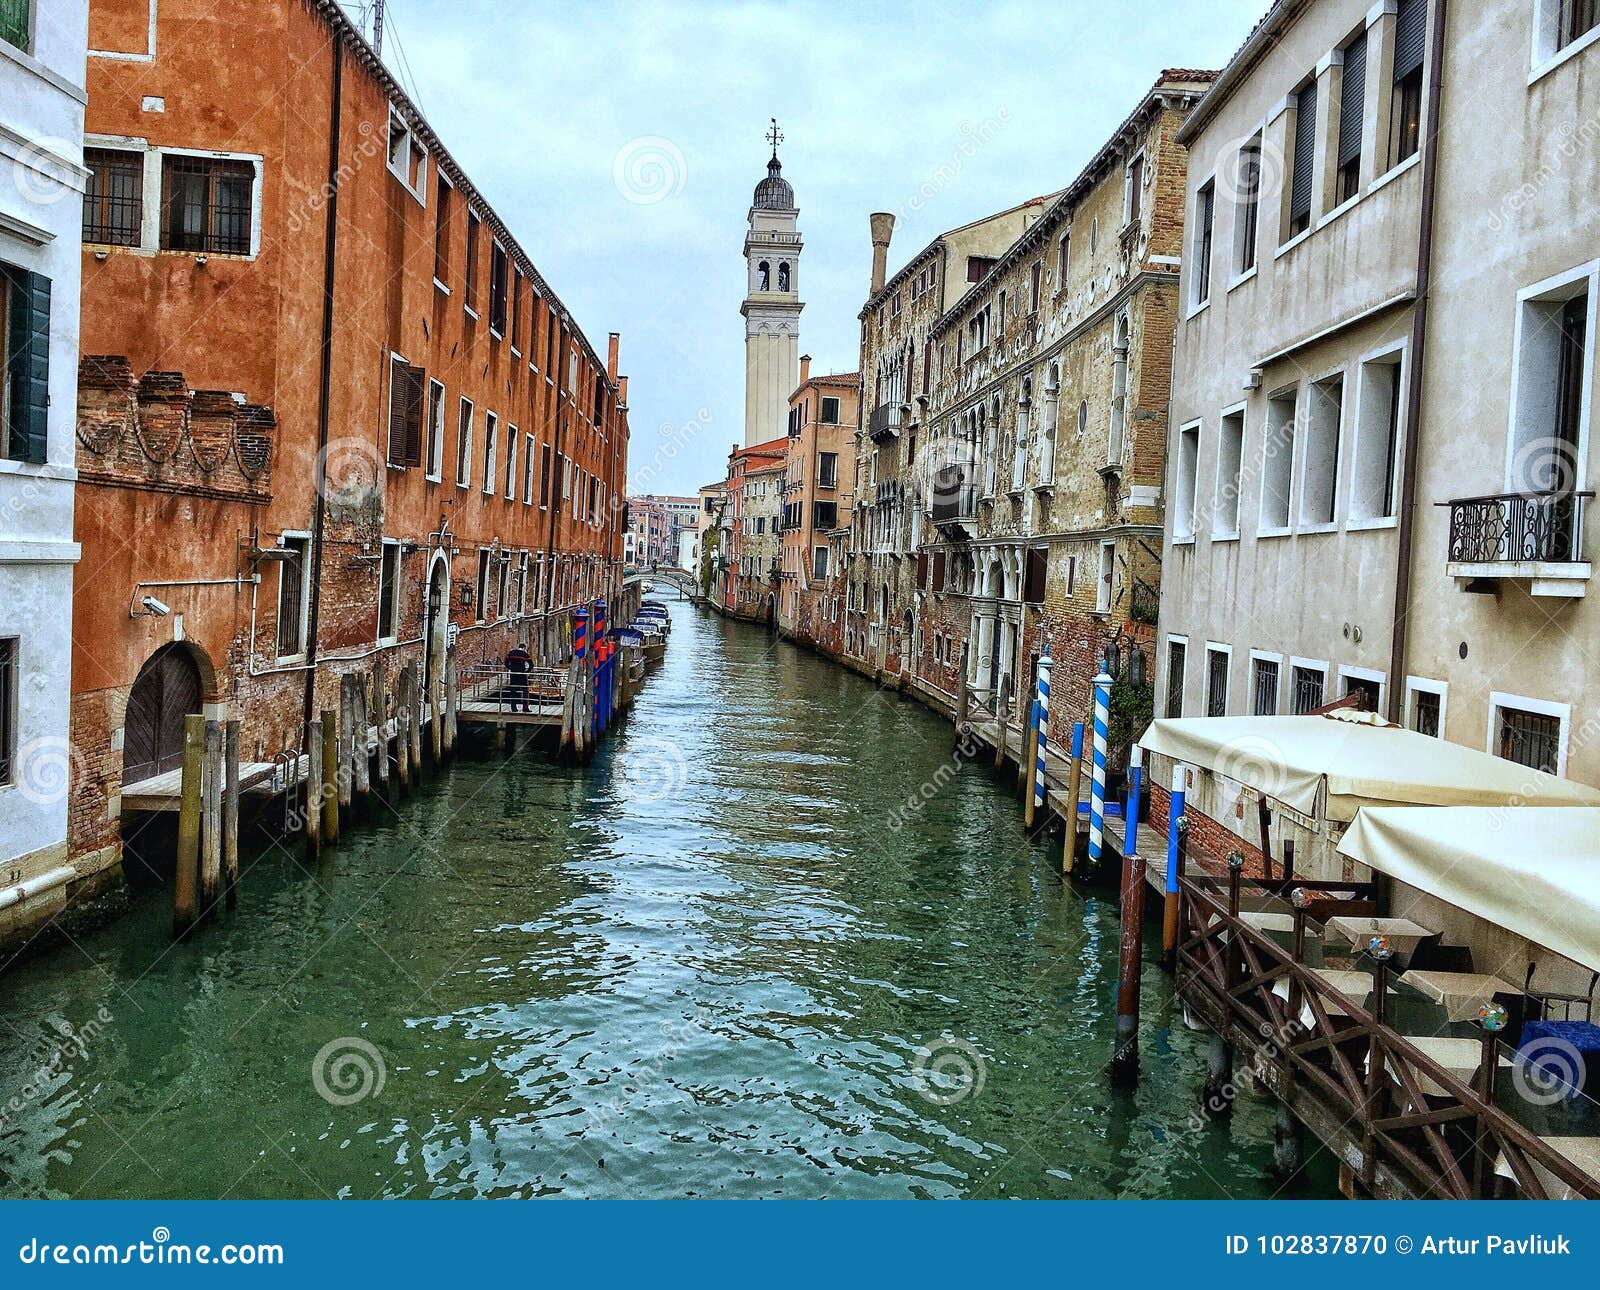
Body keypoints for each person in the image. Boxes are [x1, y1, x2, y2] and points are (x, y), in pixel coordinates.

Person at [504, 642, 533, 712]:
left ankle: (514, 708)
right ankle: (525, 708)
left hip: (513, 674)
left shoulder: (511, 652)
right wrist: (527, 671)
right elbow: (531, 664)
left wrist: (510, 668)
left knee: (513, 691)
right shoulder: (525, 654)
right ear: (524, 648)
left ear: (518, 647)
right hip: (522, 674)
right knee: (525, 691)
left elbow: (506, 662)